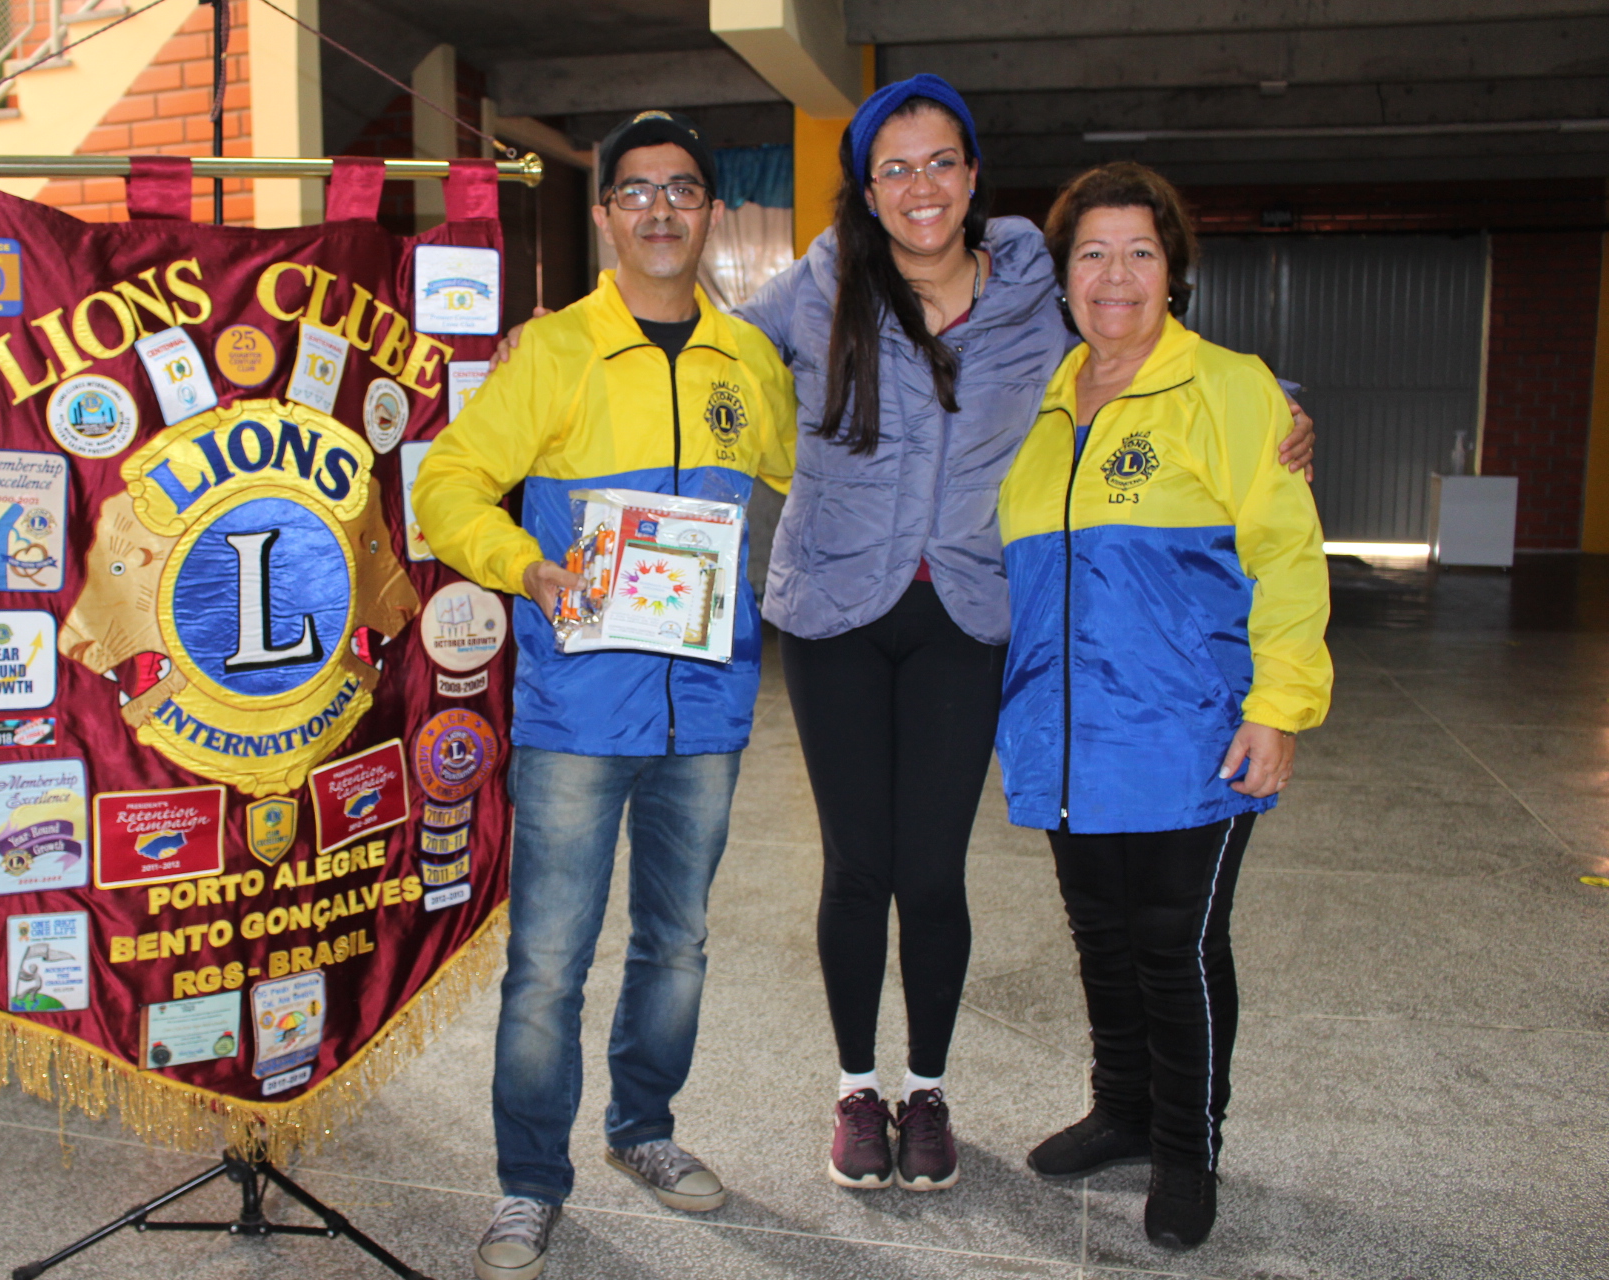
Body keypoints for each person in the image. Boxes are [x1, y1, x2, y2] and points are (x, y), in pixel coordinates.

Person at [490, 76, 1313, 1196]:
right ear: (868, 191)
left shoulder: (1033, 281)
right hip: (833, 611)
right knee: (856, 866)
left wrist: (1280, 403)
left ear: (973, 178)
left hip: (966, 615)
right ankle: (855, 1089)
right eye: (894, 169)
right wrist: (562, 325)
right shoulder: (819, 284)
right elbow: (700, 329)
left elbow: (1136, 340)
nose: (919, 187)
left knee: (930, 871)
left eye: (940, 163)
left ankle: (926, 1087)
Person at [414, 110, 795, 1280]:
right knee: (548, 963)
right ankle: (530, 1181)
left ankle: (643, 1129)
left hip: (710, 712)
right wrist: (526, 565)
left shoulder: (752, 363)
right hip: (580, 712)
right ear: (604, 213)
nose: (662, 210)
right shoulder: (556, 353)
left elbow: (798, 494)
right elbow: (448, 482)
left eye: (684, 189)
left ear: (713, 212)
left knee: (675, 945)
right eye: (638, 192)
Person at [996, 161, 1332, 1250]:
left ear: (1174, 269)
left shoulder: (1234, 391)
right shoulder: (1048, 411)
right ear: (1063, 276)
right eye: (1092, 252)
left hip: (1192, 727)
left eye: (1140, 251)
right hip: (1070, 736)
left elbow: (1286, 557)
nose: (1116, 275)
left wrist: (1279, 705)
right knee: (1099, 932)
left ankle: (1188, 1147)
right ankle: (1125, 1108)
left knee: (1173, 940)